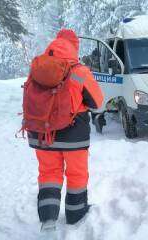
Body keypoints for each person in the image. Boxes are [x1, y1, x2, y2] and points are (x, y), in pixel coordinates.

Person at [26, 29, 103, 229]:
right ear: (74, 47)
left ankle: (48, 218)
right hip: (74, 135)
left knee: (48, 173)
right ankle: (76, 216)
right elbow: (97, 102)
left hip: (42, 133)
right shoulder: (79, 71)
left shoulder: (38, 68)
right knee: (77, 174)